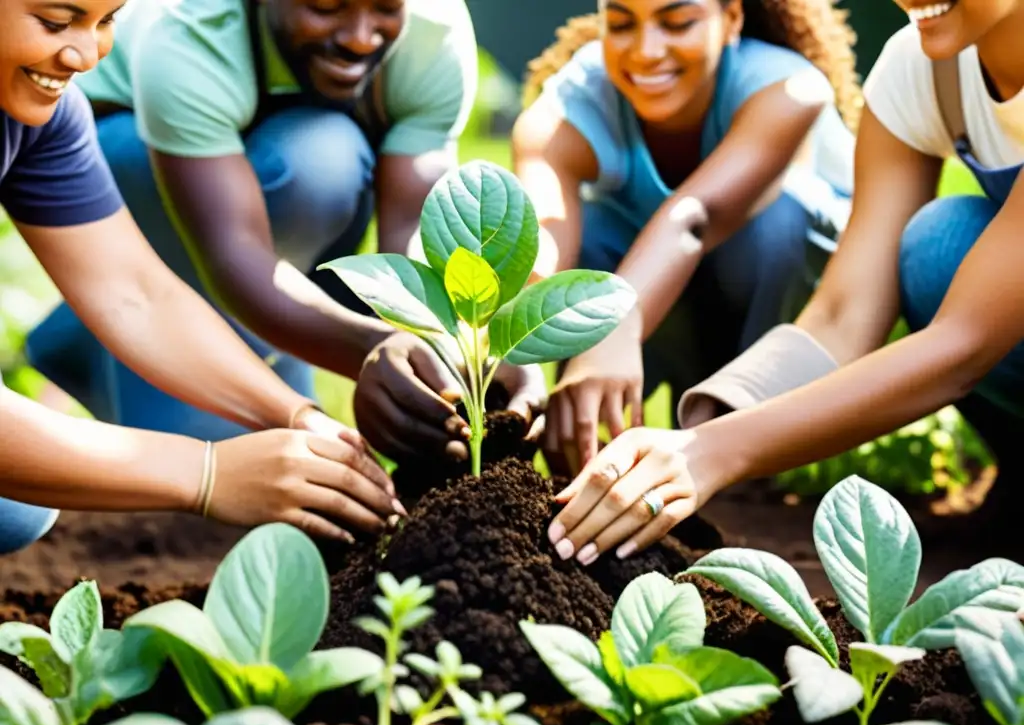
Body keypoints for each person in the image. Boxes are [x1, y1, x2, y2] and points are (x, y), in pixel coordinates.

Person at [547, 0, 1024, 565]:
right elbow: (843, 317)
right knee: (936, 250)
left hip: (977, 337)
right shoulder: (921, 70)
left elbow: (963, 343)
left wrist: (712, 453)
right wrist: (699, 429)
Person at [20, 0, 543, 465]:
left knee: (324, 158)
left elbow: (409, 230)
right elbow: (233, 250)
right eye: (325, 6)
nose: (362, 35)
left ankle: (83, 335)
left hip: (283, 176)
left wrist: (462, 347)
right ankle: (119, 327)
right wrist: (368, 347)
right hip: (126, 161)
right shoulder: (190, 29)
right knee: (207, 482)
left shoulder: (431, 28)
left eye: (383, 8)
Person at [0, 0, 405, 555]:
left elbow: (136, 293)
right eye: (55, 22)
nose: (85, 55)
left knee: (16, 508)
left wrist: (294, 414)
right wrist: (206, 471)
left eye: (105, 21)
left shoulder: (44, 115)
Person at [511, 0, 861, 477]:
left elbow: (695, 217)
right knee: (589, 238)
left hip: (790, 309)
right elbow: (541, 248)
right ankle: (587, 430)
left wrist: (613, 325)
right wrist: (514, 349)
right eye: (620, 24)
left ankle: (746, 433)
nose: (647, 52)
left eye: (677, 23)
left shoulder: (787, 86)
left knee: (780, 219)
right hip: (667, 290)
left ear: (732, 19)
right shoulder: (566, 107)